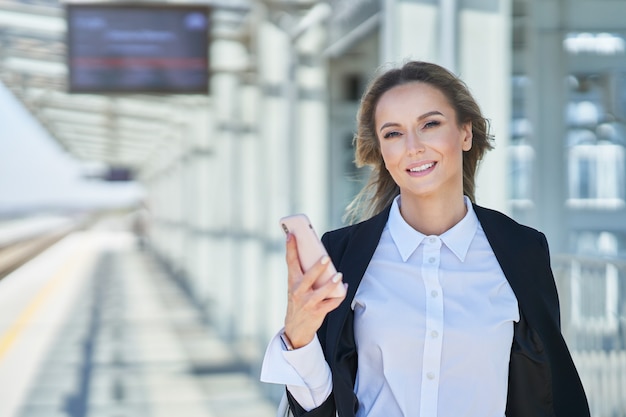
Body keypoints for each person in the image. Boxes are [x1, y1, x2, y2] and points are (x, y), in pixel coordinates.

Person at [261, 61, 590, 417]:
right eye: (393, 133)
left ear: (465, 133)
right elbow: (319, 408)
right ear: (382, 152)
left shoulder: (522, 250)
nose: (413, 147)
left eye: (430, 124)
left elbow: (550, 389)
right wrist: (299, 338)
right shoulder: (346, 253)